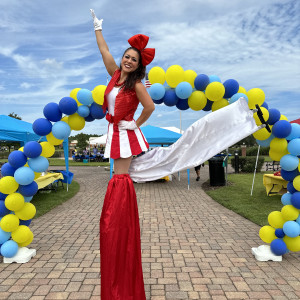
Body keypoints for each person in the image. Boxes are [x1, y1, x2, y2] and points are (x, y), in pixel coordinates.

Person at [90, 9, 155, 299]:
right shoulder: (115, 75)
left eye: (134, 59)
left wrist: (134, 124)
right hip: (114, 130)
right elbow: (104, 51)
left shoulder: (137, 84)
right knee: (118, 177)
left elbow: (150, 108)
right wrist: (97, 28)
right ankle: (115, 217)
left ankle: (117, 220)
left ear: (139, 65)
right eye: (127, 56)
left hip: (125, 132)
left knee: (120, 177)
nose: (128, 60)